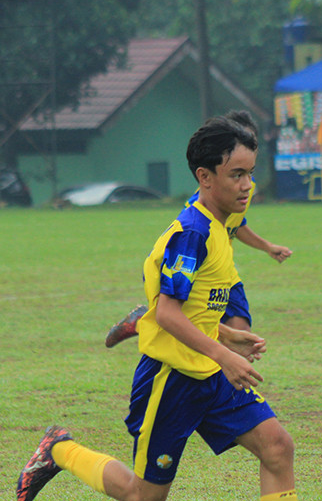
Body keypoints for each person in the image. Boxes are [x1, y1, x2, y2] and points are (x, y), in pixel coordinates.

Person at [17, 116, 298, 501]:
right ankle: (59, 450)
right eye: (236, 175)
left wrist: (225, 334)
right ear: (204, 177)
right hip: (172, 379)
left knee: (278, 448)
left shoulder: (222, 225)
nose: (247, 185)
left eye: (250, 174)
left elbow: (195, 305)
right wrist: (225, 355)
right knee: (145, 498)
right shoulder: (192, 233)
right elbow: (167, 313)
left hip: (209, 373)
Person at [104, 110, 291, 346]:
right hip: (200, 267)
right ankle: (144, 321)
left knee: (241, 333)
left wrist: (268, 247)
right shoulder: (197, 223)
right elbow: (183, 253)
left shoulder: (242, 188)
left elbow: (237, 225)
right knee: (192, 326)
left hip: (222, 267)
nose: (246, 179)